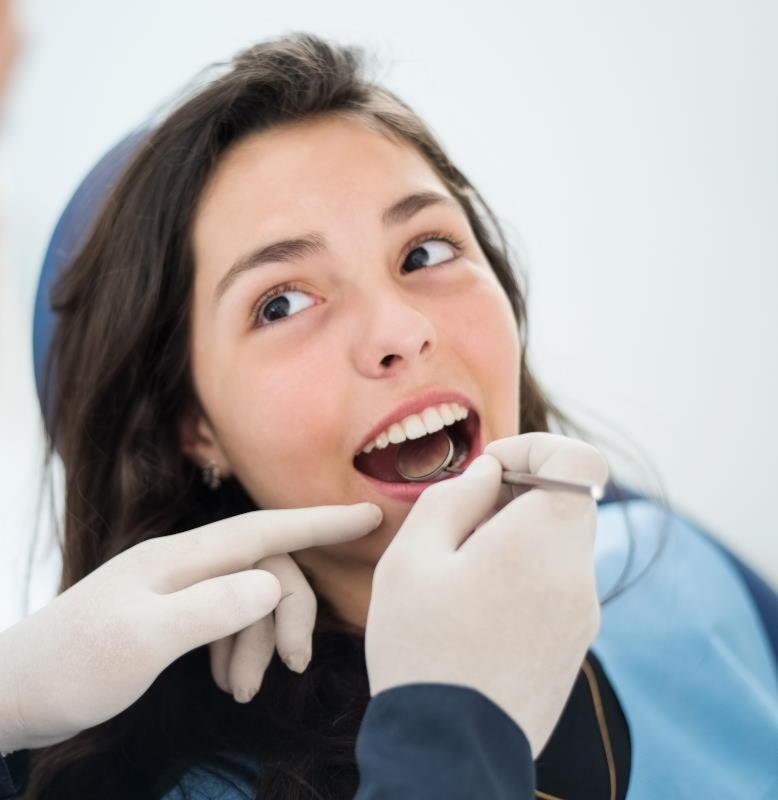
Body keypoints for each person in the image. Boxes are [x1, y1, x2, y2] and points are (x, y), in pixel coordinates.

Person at [1, 30, 776, 800]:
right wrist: (457, 729)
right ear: (194, 429)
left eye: (426, 251)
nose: (401, 331)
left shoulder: (672, 569)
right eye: (282, 303)